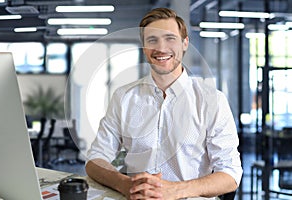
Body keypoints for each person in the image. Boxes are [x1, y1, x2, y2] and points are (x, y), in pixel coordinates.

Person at [85, 7, 243, 200]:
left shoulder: (212, 101)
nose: (161, 48)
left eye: (170, 38)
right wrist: (126, 184)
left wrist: (175, 190)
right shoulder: (123, 97)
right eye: (152, 40)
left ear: (185, 43)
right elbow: (95, 159)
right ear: (144, 48)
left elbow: (230, 175)